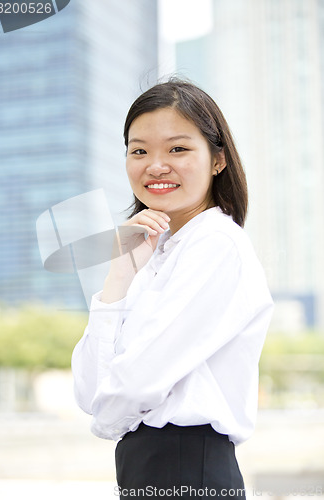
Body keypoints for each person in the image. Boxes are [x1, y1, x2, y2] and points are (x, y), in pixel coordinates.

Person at [71, 78, 274, 499]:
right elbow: (91, 390)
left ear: (218, 159)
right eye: (139, 150)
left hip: (188, 465)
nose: (156, 165)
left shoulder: (217, 245)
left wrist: (107, 420)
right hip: (146, 468)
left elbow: (128, 388)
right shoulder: (151, 256)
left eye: (178, 149)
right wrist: (118, 278)